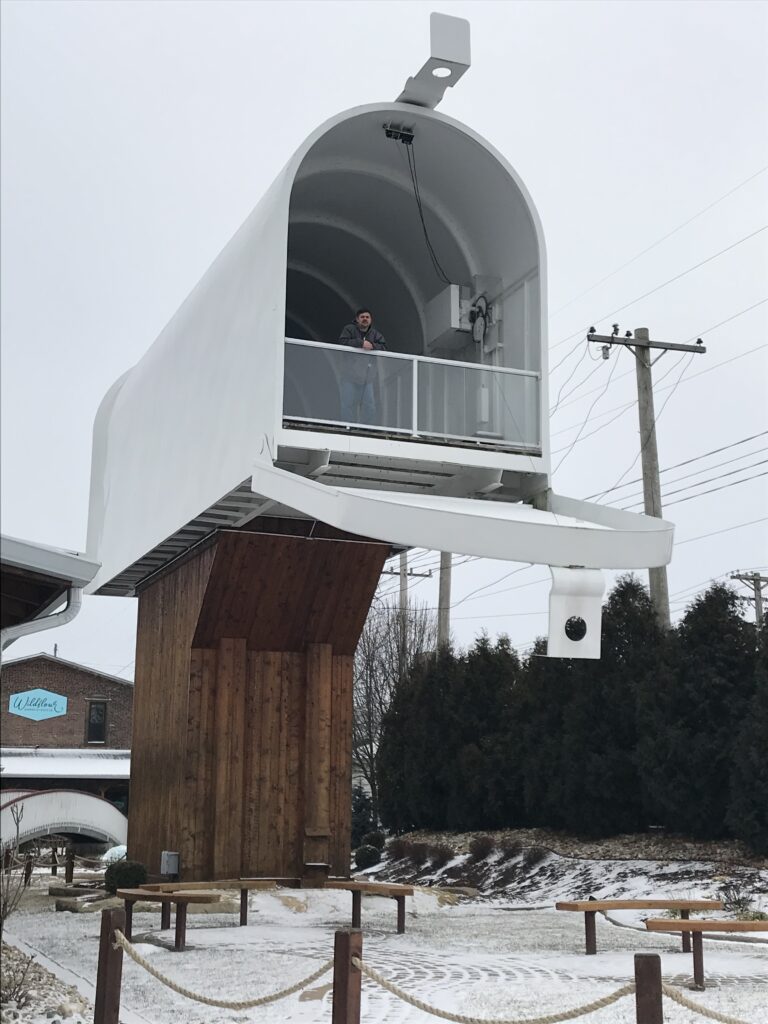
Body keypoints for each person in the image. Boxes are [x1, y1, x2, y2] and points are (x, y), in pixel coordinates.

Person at [337, 308, 387, 424]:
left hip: (367, 377)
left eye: (367, 317)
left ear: (370, 320)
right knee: (347, 403)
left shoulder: (374, 334)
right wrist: (361, 343)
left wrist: (372, 345)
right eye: (362, 317)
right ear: (357, 319)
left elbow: (384, 347)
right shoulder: (349, 329)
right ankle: (347, 427)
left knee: (369, 405)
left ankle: (367, 429)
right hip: (349, 375)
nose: (365, 319)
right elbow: (342, 342)